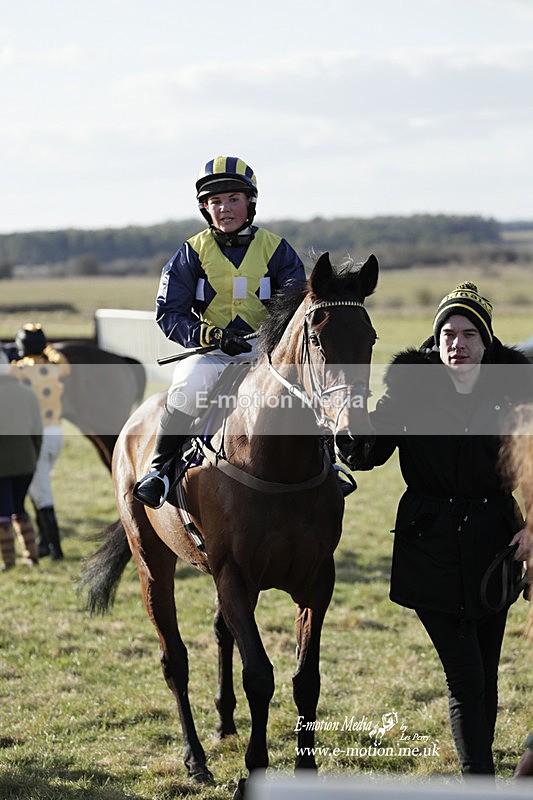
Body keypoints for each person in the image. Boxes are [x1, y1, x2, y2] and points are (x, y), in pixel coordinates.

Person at [353, 282, 532, 775]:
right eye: (448, 334)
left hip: (496, 547)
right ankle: (479, 784)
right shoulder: (411, 388)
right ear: (436, 340)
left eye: (469, 334)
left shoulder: (513, 392)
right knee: (466, 678)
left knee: (487, 676)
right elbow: (369, 452)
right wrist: (349, 424)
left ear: (487, 341)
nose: (458, 344)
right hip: (430, 546)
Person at [133, 156, 306, 509]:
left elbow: (295, 307)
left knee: (305, 389)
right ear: (205, 208)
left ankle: (327, 465)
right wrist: (211, 336)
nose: (224, 208)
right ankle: (159, 471)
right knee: (187, 388)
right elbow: (169, 313)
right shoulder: (190, 253)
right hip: (211, 353)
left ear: (250, 203)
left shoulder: (277, 249)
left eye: (233, 199)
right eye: (215, 201)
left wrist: (270, 340)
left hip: (266, 353)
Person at [10, 323, 70, 560]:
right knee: (37, 489)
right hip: (56, 433)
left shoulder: (19, 370)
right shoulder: (53, 368)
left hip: (36, 437)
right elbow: (64, 364)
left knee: (42, 494)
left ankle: (56, 548)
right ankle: (44, 543)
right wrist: (49, 349)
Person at [0, 348, 42, 569]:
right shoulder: (27, 393)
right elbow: (37, 433)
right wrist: (33, 458)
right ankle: (31, 555)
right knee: (19, 508)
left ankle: (8, 561)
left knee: (3, 513)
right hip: (27, 462)